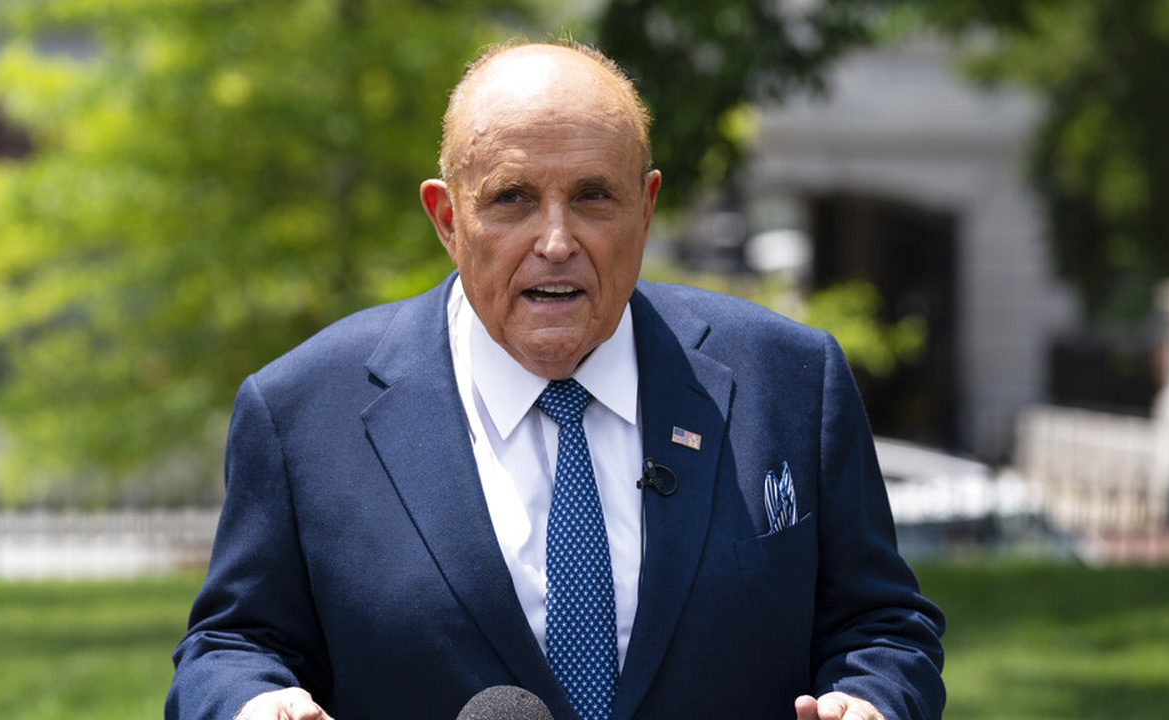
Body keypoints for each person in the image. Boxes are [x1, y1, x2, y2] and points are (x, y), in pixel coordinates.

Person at [166, 40, 945, 720]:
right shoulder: (300, 410)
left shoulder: (790, 380)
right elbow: (232, 644)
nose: (555, 240)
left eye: (592, 196)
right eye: (510, 199)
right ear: (447, 220)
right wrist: (251, 702)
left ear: (645, 208)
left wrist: (872, 700)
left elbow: (880, 627)